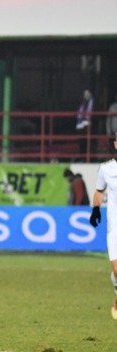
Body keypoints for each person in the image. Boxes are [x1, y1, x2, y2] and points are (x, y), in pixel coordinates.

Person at [88, 131, 117, 320]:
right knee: (116, 271)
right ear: (115, 144)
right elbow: (99, 191)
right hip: (114, 228)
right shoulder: (106, 169)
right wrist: (96, 209)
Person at [76, 89, 94, 157]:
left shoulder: (93, 103)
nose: (86, 95)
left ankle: (89, 158)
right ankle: (82, 156)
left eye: (87, 94)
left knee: (89, 143)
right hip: (81, 126)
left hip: (89, 126)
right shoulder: (82, 103)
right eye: (85, 94)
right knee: (82, 142)